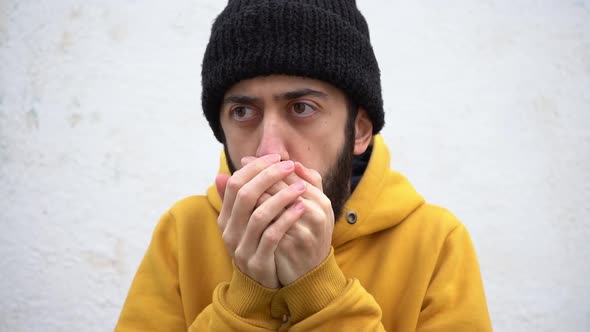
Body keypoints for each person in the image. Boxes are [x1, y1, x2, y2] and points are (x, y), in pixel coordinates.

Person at [116, 0, 492, 331]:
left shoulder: (435, 242)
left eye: (302, 108)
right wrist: (246, 297)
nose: (269, 152)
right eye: (243, 111)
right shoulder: (183, 233)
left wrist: (319, 292)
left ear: (359, 130)